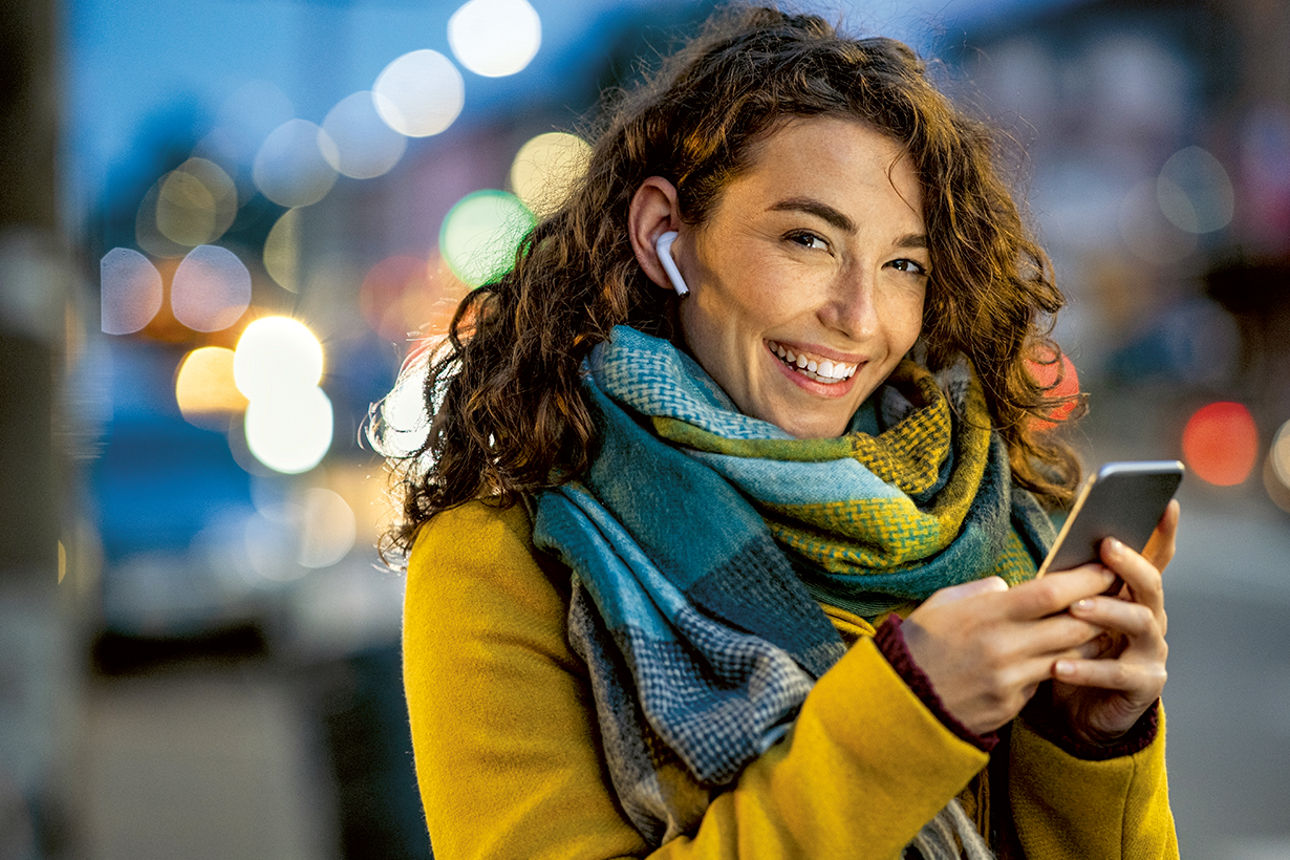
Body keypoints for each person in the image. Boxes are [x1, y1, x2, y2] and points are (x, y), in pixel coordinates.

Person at [387, 6, 1179, 858]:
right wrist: (909, 714)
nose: (859, 316)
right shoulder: (501, 559)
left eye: (903, 264)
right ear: (665, 236)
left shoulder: (990, 515)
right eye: (807, 239)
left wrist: (1086, 740)